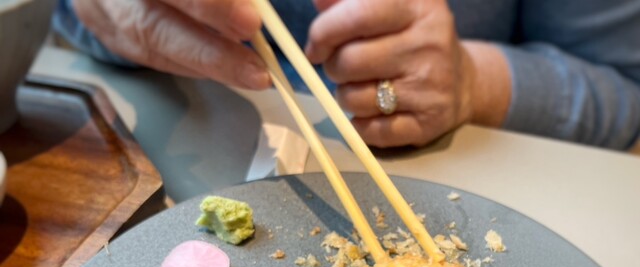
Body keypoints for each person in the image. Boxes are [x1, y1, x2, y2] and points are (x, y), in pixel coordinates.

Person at [52, 0, 640, 150]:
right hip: (166, 141)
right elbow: (55, 15)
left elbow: (624, 88)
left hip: (463, 174)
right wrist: (102, 14)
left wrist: (472, 83)